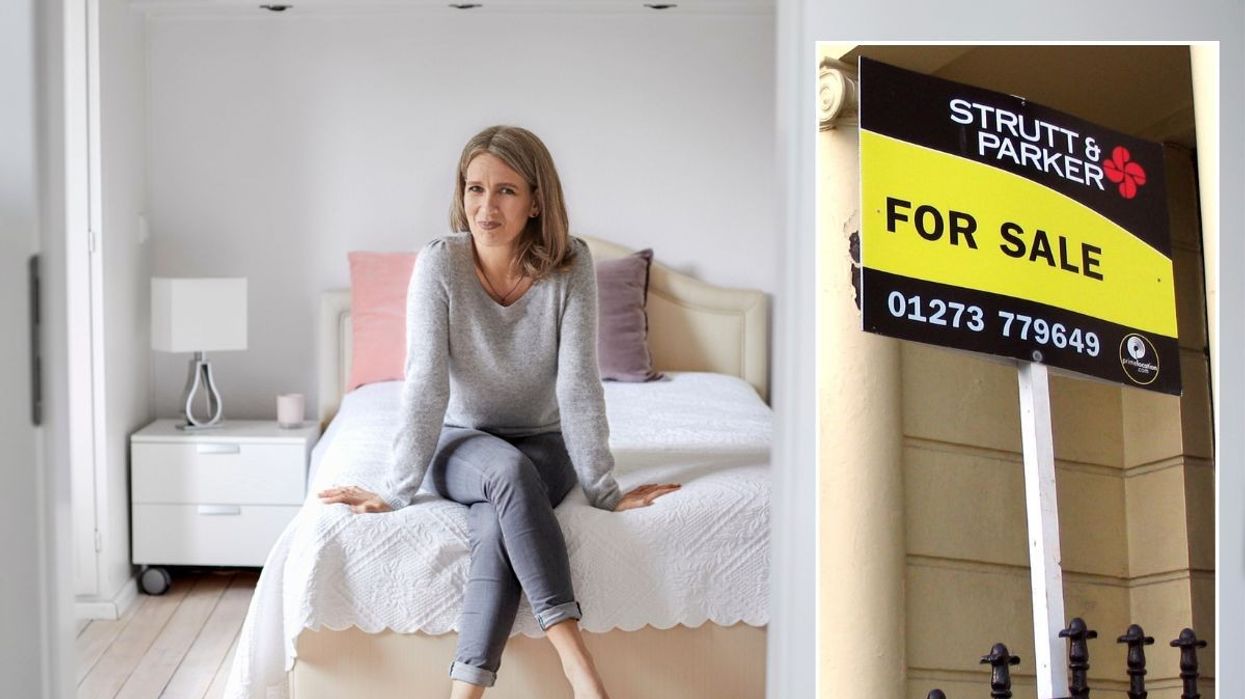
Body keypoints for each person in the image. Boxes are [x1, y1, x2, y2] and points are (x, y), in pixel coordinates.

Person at [318, 125, 680, 699]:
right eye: (475, 188)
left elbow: (579, 383)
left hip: (544, 442)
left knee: (495, 522)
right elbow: (425, 385)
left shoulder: (571, 264)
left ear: (537, 200)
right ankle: (580, 669)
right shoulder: (440, 264)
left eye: (507, 191)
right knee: (506, 475)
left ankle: (465, 692)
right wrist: (396, 489)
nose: (486, 206)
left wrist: (604, 489)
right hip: (459, 444)